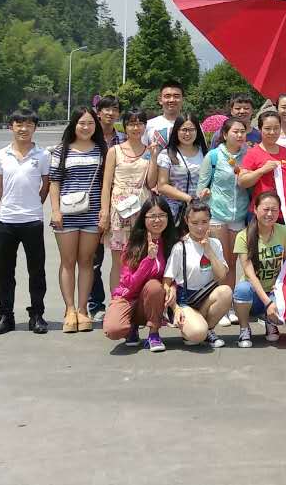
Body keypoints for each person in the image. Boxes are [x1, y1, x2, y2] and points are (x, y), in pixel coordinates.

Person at [0, 107, 49, 335]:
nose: (24, 129)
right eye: (19, 124)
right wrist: (9, 205)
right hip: (7, 221)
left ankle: (37, 314)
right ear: (11, 127)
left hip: (33, 220)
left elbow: (46, 185)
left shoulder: (43, 155)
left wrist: (34, 204)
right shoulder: (0, 155)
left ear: (35, 128)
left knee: (37, 271)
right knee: (5, 272)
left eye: (29, 125)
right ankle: (6, 315)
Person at [49, 106, 108, 333]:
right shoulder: (61, 150)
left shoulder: (102, 150)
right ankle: (70, 309)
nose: (86, 127)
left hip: (92, 213)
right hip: (66, 214)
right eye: (82, 123)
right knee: (67, 261)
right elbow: (54, 182)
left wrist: (104, 211)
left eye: (90, 123)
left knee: (87, 261)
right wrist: (55, 211)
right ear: (74, 125)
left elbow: (105, 183)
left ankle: (83, 310)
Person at [100, 106, 153, 333]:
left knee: (141, 260)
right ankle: (117, 303)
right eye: (131, 123)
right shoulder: (115, 151)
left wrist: (155, 156)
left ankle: (138, 307)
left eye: (140, 123)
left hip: (142, 211)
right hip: (119, 211)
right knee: (119, 261)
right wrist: (104, 211)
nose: (135, 127)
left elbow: (152, 183)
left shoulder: (149, 151)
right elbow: (106, 184)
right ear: (125, 126)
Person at [104, 196, 177, 352]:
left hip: (153, 298)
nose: (157, 220)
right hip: (128, 297)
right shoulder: (133, 244)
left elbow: (177, 274)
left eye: (162, 215)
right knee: (113, 329)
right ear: (143, 218)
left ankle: (153, 334)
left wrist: (173, 287)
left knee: (154, 286)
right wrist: (149, 259)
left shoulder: (173, 243)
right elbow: (130, 284)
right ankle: (131, 325)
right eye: (152, 216)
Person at [198, 116, 248, 325]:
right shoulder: (213, 156)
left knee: (234, 262)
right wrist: (205, 192)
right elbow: (201, 187)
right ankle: (220, 308)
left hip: (239, 214)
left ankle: (231, 306)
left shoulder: (248, 155)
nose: (239, 135)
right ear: (225, 134)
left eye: (242, 131)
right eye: (235, 131)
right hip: (217, 214)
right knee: (221, 262)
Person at [163, 200, 233, 347]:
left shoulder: (215, 243)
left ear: (210, 221)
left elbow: (221, 276)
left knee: (226, 292)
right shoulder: (180, 247)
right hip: (186, 299)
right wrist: (175, 308)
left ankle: (207, 329)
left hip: (206, 296)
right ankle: (197, 329)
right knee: (197, 334)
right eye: (194, 223)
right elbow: (166, 282)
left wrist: (209, 251)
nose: (200, 227)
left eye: (204, 222)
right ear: (186, 221)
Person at [232, 192, 286, 347]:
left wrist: (282, 288)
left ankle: (270, 322)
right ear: (255, 209)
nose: (270, 214)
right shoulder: (243, 236)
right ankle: (244, 328)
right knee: (242, 289)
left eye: (274, 210)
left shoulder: (284, 232)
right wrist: (268, 303)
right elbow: (250, 274)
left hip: (275, 291)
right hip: (254, 294)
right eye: (266, 209)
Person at [87, 95, 124, 321]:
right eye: (106, 109)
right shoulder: (89, 136)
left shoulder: (123, 139)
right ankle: (95, 304)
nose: (110, 113)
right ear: (98, 112)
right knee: (94, 258)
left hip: (121, 204)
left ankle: (122, 302)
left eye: (115, 109)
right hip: (93, 203)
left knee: (123, 258)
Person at [149, 111, 207, 221]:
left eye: (191, 130)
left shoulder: (204, 153)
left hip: (199, 210)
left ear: (197, 131)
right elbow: (162, 185)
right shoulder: (166, 155)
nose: (187, 134)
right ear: (176, 131)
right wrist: (188, 198)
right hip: (173, 211)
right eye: (184, 130)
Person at [239, 110, 286, 206]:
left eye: (276, 128)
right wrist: (262, 170)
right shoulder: (252, 153)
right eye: (267, 128)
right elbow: (242, 182)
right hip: (262, 208)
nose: (272, 132)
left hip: (283, 207)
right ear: (260, 129)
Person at [146, 80, 185, 148]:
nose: (172, 100)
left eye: (176, 96)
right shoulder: (148, 125)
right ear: (160, 100)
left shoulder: (192, 126)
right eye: (167, 96)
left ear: (182, 99)